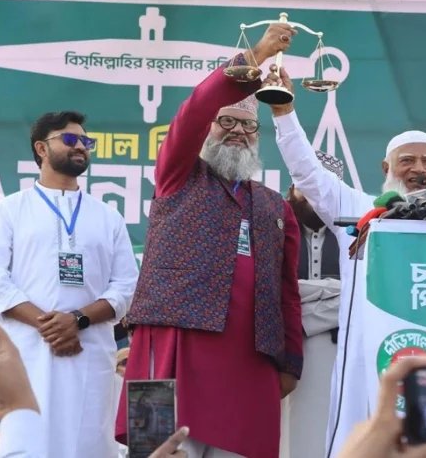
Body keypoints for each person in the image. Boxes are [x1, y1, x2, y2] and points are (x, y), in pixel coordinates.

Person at [117, 23, 303, 458]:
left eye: (248, 126)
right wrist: (256, 56)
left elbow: (287, 292)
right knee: (157, 449)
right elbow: (196, 108)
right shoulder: (178, 176)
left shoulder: (276, 206)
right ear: (206, 130)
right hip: (172, 345)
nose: (238, 131)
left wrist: (291, 362)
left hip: (250, 360)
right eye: (226, 122)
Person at [264, 66, 426, 456]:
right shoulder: (358, 208)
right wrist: (284, 112)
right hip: (367, 350)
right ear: (386, 168)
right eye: (408, 160)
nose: (419, 169)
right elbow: (307, 173)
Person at [0, 111, 139, 458]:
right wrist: (49, 326)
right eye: (69, 139)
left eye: (85, 141)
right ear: (41, 149)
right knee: (23, 443)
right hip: (25, 353)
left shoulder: (108, 216)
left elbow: (126, 285)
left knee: (87, 445)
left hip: (88, 353)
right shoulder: (10, 209)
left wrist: (77, 320)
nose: (80, 146)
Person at [280, 151, 343, 458]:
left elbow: (359, 295)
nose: (315, 195)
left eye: (324, 187)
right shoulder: (273, 230)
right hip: (283, 350)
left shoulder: (354, 233)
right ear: (292, 189)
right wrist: (334, 292)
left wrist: (297, 298)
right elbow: (272, 293)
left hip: (337, 351)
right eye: (307, 186)